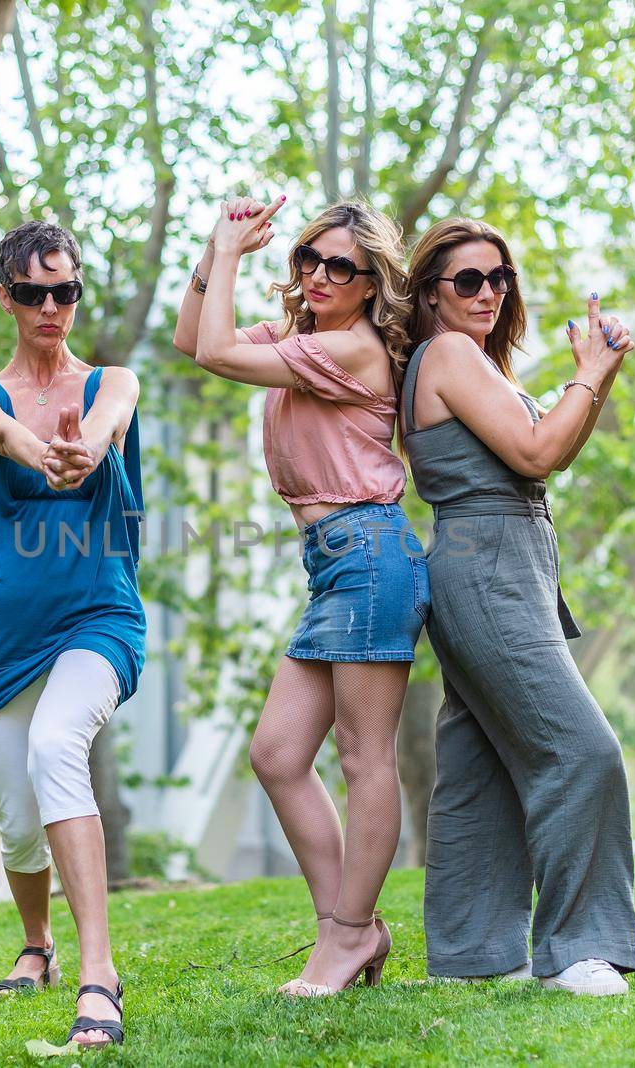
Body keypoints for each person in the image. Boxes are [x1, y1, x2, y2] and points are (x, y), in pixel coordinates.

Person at [173, 197, 428, 996]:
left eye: (339, 267)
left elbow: (214, 352)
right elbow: (192, 340)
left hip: (370, 554)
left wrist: (227, 248)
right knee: (278, 756)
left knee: (362, 757)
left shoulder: (351, 349)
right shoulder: (302, 337)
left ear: (370, 284)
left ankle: (349, 935)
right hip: (333, 565)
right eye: (308, 260)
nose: (318, 274)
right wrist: (215, 258)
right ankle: (349, 929)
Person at [399, 217, 635, 996]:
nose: (488, 293)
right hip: (487, 568)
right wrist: (589, 374)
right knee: (583, 751)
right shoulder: (448, 353)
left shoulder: (482, 365)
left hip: (513, 566)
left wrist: (593, 377)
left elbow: (549, 456)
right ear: (431, 294)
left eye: (499, 278)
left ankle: (472, 955)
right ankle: (578, 950)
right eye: (467, 280)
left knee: (480, 770)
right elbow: (536, 453)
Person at [0, 220, 143, 1047]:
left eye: (66, 291)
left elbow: (105, 431)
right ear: (7, 297)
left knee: (58, 745)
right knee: (18, 819)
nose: (52, 306)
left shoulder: (113, 383)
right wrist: (38, 450)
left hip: (97, 616)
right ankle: (39, 947)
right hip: (0, 635)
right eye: (33, 292)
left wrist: (83, 452)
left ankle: (98, 975)